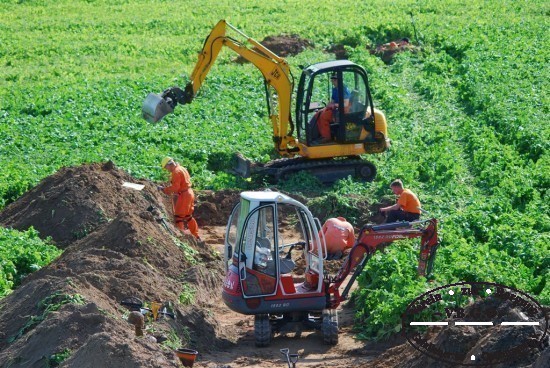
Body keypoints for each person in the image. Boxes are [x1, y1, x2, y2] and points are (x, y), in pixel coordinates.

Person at [157, 157, 200, 240]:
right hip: (190, 193)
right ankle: (196, 236)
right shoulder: (181, 168)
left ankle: (181, 237)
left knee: (178, 217)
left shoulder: (176, 172)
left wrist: (164, 189)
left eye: (166, 168)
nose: (167, 170)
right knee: (188, 216)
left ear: (169, 165)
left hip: (184, 195)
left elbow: (176, 187)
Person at [312, 74, 351, 143]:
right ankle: (318, 134)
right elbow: (332, 101)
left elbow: (346, 104)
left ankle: (327, 137)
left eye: (334, 80)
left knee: (324, 117)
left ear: (339, 80)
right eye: (332, 80)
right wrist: (328, 106)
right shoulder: (335, 89)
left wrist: (334, 105)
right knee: (318, 113)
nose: (333, 82)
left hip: (342, 110)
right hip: (335, 108)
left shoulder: (344, 90)